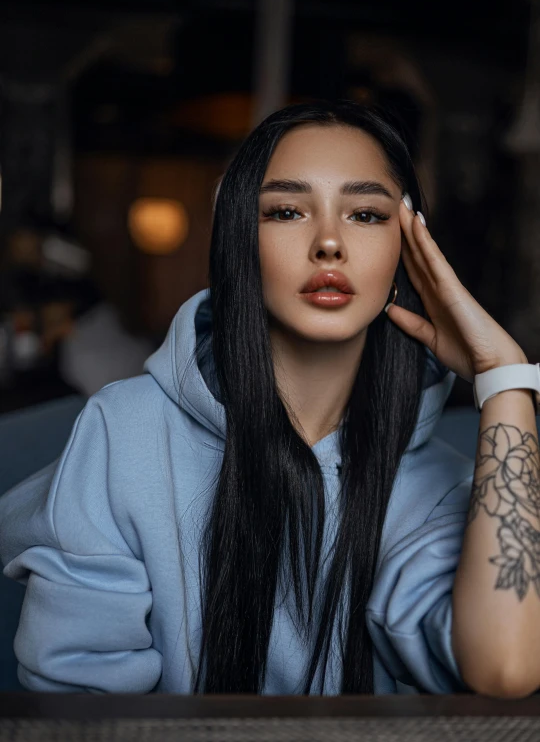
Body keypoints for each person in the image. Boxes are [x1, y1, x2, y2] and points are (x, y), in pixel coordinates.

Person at [0, 99, 539, 697]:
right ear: (240, 242)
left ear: (407, 253)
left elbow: (507, 670)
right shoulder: (123, 433)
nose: (329, 242)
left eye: (365, 215)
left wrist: (505, 378)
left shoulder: (442, 488)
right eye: (286, 210)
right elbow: (80, 711)